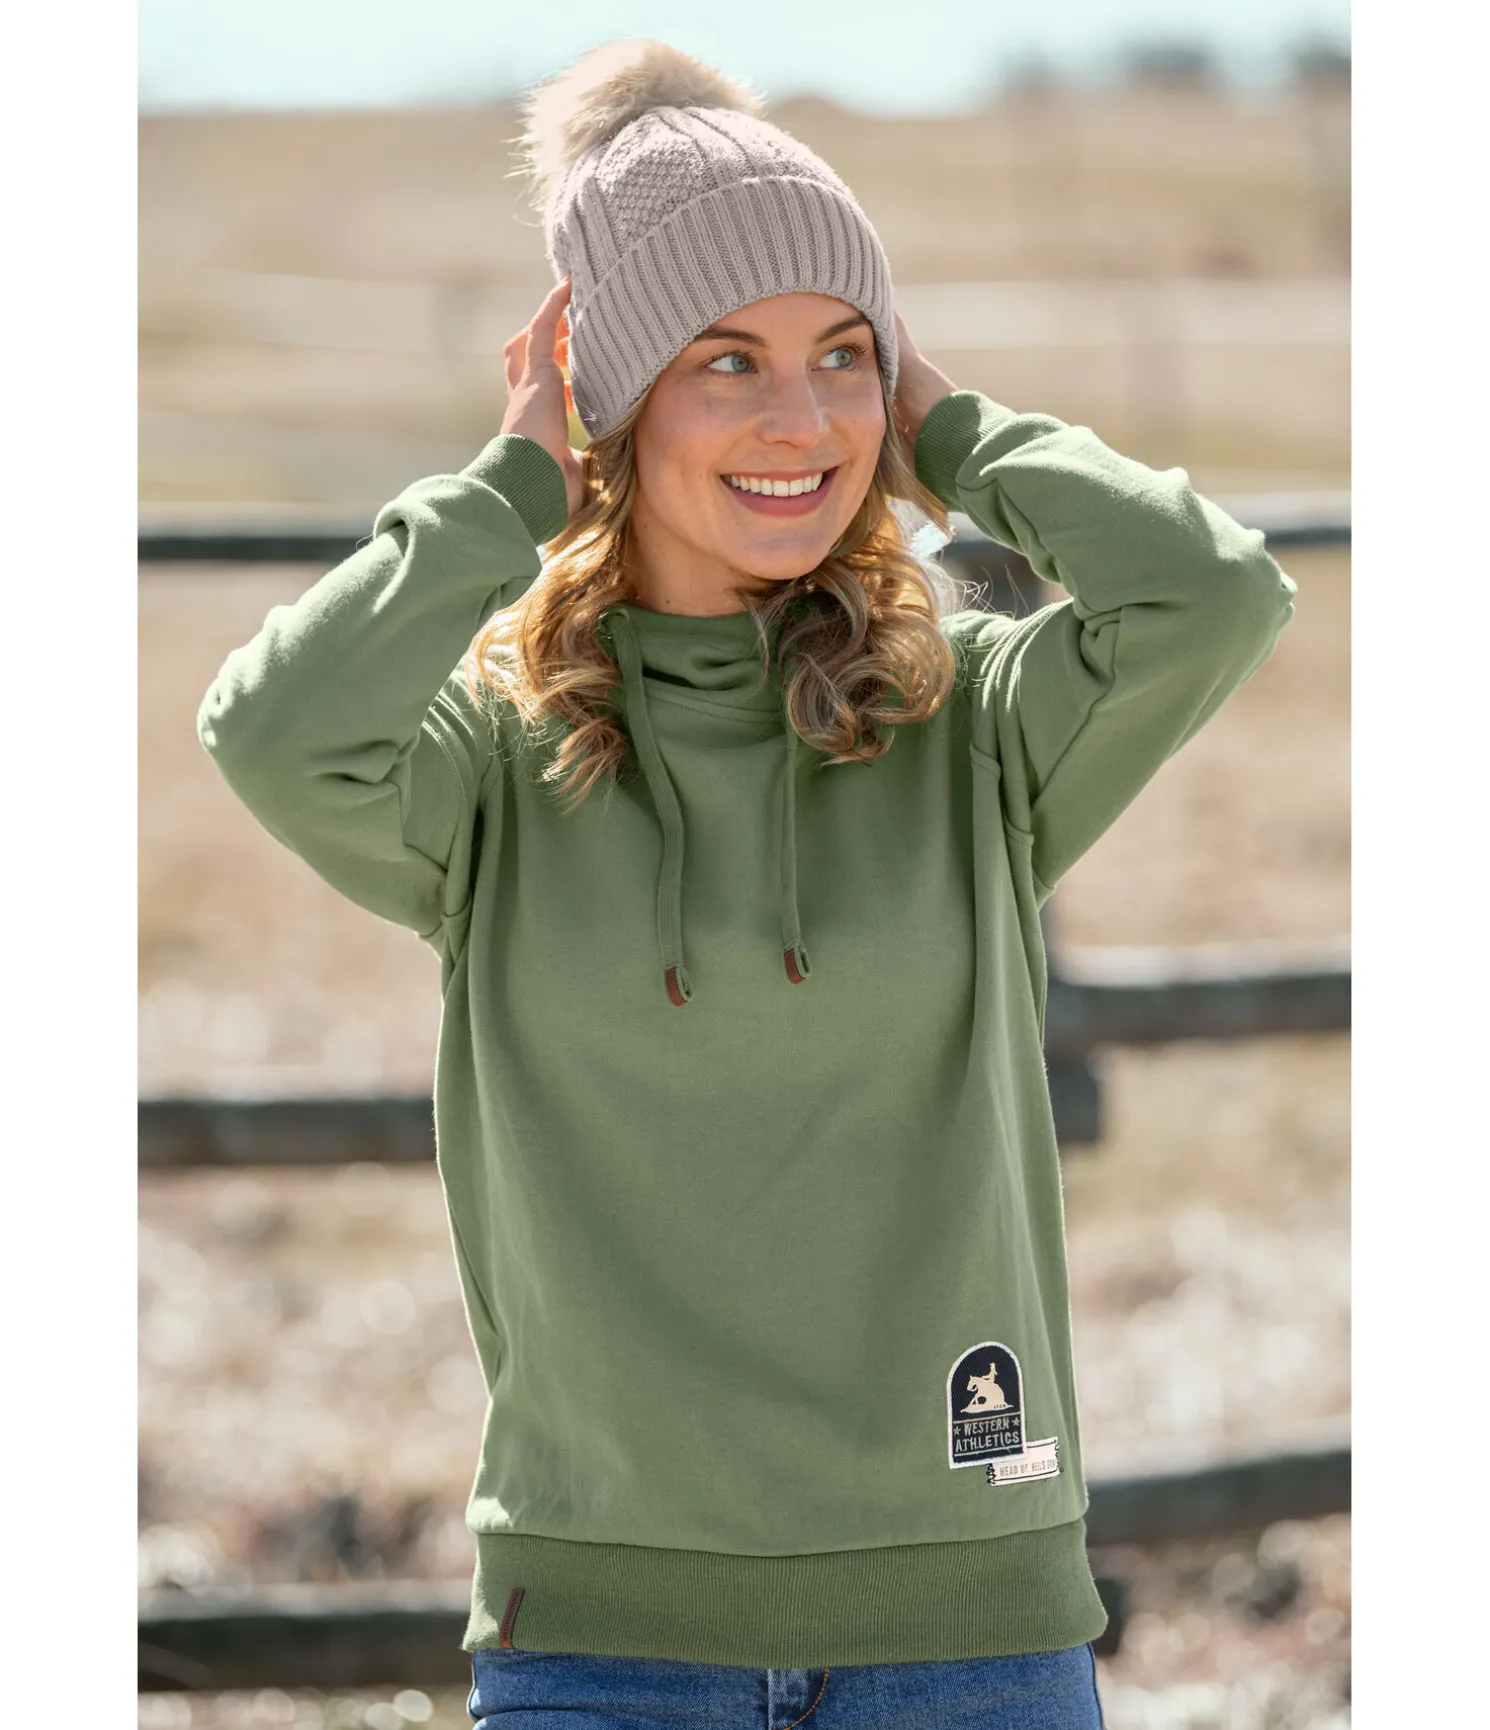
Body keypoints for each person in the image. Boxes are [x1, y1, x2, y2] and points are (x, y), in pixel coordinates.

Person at [197, 36, 1296, 1730]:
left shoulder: (968, 721)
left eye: (840, 354)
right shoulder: (492, 763)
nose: (802, 421)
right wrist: (509, 486)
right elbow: (273, 730)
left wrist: (945, 426)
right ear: (614, 398)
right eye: (726, 361)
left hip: (967, 1620)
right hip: (603, 1639)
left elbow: (1211, 594)